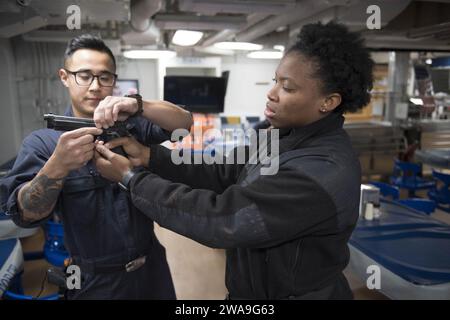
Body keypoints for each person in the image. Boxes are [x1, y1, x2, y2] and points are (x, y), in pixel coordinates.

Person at [93, 22, 374, 299]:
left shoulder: (321, 170)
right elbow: (225, 171)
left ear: (328, 102)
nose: (272, 92)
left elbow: (225, 220)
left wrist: (132, 179)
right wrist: (151, 157)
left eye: (287, 88)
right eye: (275, 80)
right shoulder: (281, 136)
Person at [0, 34, 193, 299]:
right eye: (84, 75)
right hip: (92, 280)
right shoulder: (44, 144)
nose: (94, 86)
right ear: (65, 77)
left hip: (152, 268)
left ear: (114, 80)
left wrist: (139, 105)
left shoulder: (133, 126)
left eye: (104, 77)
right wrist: (57, 166)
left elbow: (183, 125)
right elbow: (25, 214)